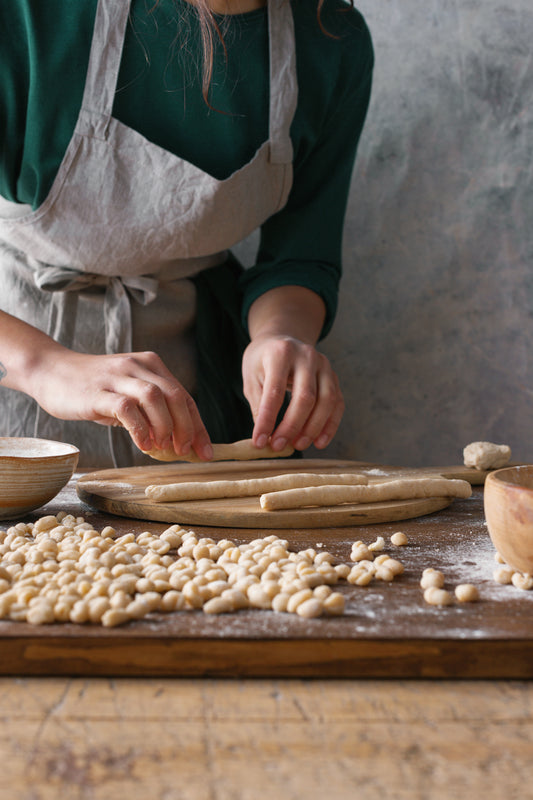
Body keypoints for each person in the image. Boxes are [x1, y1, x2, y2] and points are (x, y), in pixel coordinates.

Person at [0, 0, 373, 468]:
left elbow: (299, 257)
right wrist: (42, 365)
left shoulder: (331, 41)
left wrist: (279, 336)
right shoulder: (29, 15)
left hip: (198, 387)